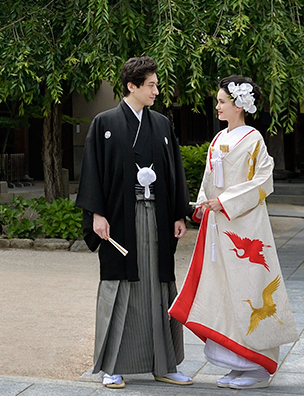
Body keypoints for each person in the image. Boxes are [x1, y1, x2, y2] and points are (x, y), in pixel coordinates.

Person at [168, 76, 299, 390]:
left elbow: (263, 182)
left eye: (222, 102)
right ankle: (238, 363)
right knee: (223, 289)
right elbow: (209, 181)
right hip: (219, 225)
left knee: (250, 288)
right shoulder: (217, 140)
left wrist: (224, 201)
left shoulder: (253, 139)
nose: (217, 107)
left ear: (239, 105)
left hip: (246, 225)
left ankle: (257, 366)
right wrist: (202, 205)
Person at [75, 56, 193, 389]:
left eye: (156, 84)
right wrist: (97, 214)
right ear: (132, 86)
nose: (157, 90)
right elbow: (93, 172)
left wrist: (177, 214)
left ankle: (164, 364)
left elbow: (174, 172)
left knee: (158, 285)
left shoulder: (161, 124)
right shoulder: (105, 123)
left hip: (156, 216)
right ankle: (114, 365)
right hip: (119, 218)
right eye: (151, 85)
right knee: (120, 286)